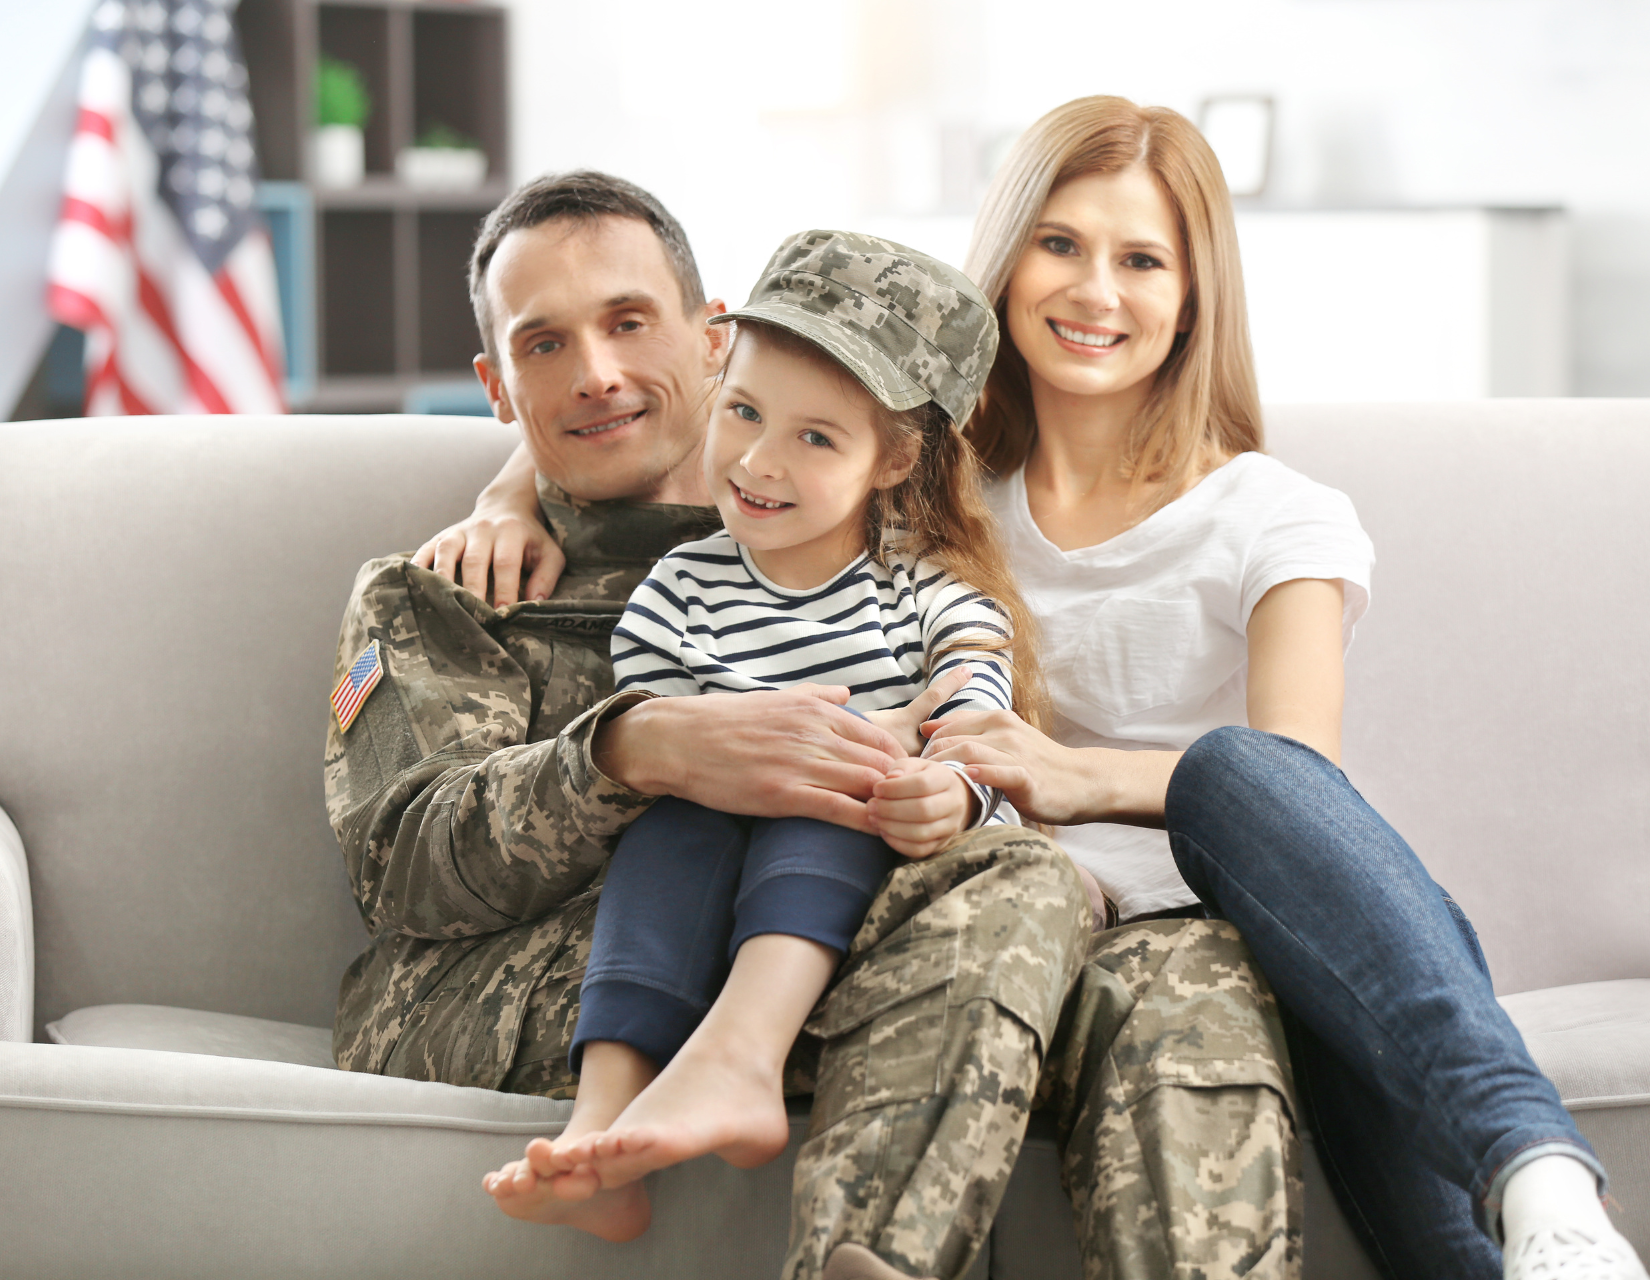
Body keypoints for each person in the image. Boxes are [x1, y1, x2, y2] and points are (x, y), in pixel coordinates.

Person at [423, 102, 1650, 1280]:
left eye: (1143, 260)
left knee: (1238, 796)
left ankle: (1539, 1180)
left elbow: (1300, 787)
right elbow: (659, 402)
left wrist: (1076, 776)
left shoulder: (1276, 515)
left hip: (1221, 898)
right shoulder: (918, 494)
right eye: (1059, 244)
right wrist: (507, 492)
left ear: (1194, 298)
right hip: (983, 893)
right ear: (1005, 267)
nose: (1095, 290)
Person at [341, 169, 1300, 1280]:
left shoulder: (834, 513)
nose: (595, 372)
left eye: (628, 321)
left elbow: (904, 419)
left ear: (709, 341)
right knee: (1021, 885)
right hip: (581, 974)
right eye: (542, 345)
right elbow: (398, 862)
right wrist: (635, 750)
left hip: (857, 916)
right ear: (497, 386)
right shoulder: (443, 593)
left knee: (1189, 979)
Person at [484, 228, 1045, 1238]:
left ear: (896, 458)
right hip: (707, 834)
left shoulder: (928, 595)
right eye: (742, 411)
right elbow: (670, 731)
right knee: (668, 828)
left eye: (815, 437)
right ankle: (603, 1123)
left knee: (837, 784)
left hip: (861, 845)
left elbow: (978, 720)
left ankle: (742, 1054)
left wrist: (949, 787)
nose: (757, 458)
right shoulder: (678, 591)